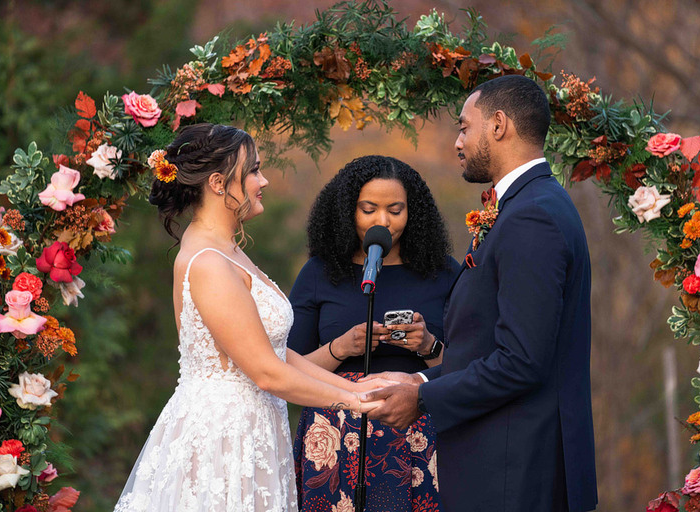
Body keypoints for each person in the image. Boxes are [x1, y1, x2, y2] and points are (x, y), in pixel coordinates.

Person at [114, 124, 384, 512]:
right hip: (223, 437)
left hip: (253, 427)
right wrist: (354, 405)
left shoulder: (227, 248)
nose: (265, 180)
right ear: (219, 183)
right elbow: (266, 372)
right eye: (254, 171)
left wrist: (362, 390)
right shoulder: (208, 262)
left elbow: (273, 351)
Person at [363, 75, 599, 512]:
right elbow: (486, 344)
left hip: (517, 475)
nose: (457, 141)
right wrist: (418, 378)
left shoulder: (533, 217)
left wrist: (422, 399)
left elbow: (521, 361)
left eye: (464, 126)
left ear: (498, 124)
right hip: (505, 467)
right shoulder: (526, 206)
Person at [288, 155, 460, 512]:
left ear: (414, 213)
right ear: (348, 211)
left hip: (419, 431)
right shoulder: (320, 273)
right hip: (333, 442)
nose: (382, 221)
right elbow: (287, 367)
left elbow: (473, 362)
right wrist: (340, 347)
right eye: (369, 209)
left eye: (395, 210)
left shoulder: (443, 272)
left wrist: (429, 346)